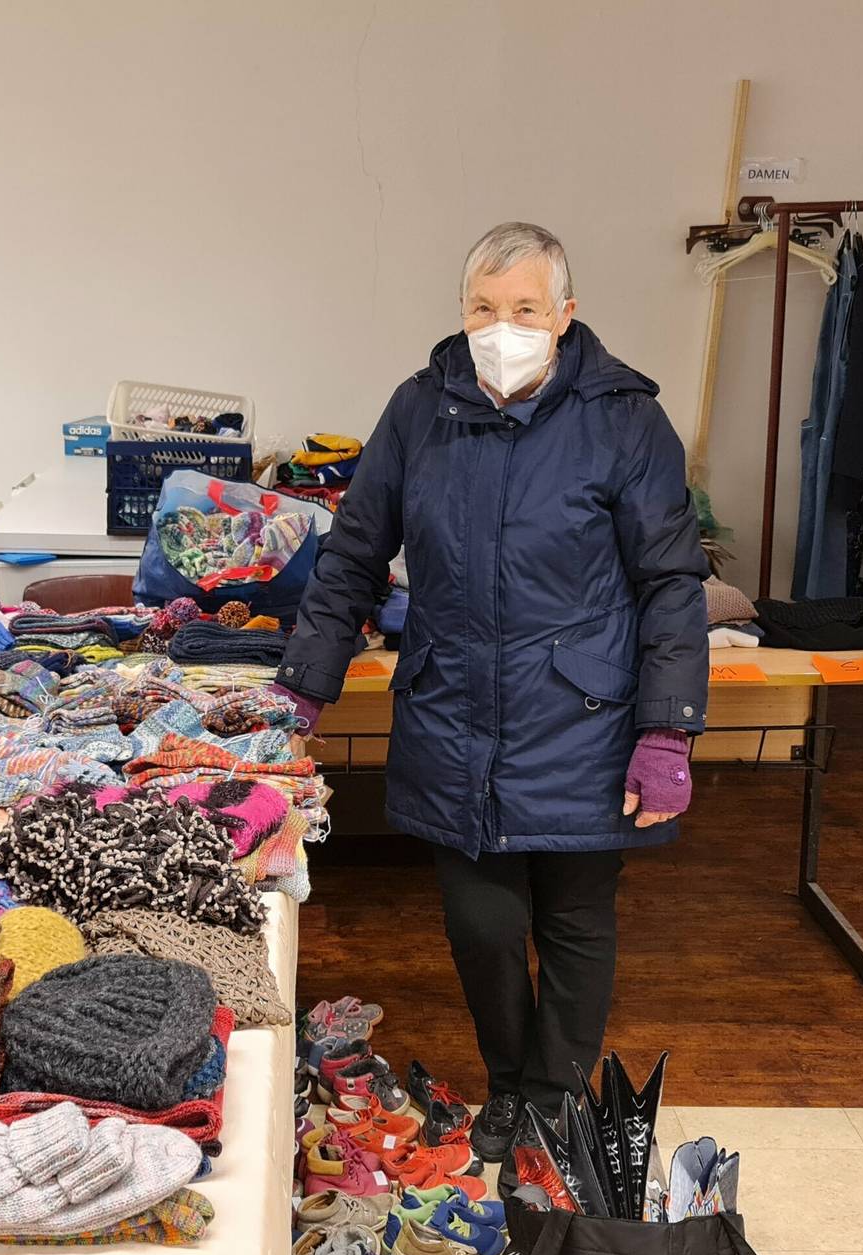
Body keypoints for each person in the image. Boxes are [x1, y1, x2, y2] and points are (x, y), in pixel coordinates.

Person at [276, 222, 708, 1174]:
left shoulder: (625, 419)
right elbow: (354, 552)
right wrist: (304, 688)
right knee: (480, 923)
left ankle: (554, 1099)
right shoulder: (418, 409)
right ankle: (511, 1081)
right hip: (452, 713)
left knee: (574, 921)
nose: (500, 325)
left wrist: (667, 729)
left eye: (523, 308)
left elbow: (672, 581)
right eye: (482, 307)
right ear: (461, 312)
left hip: (584, 720)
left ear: (564, 314)